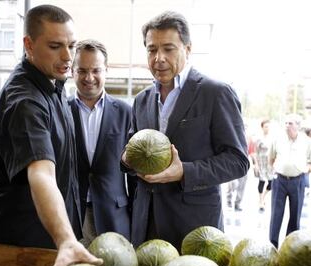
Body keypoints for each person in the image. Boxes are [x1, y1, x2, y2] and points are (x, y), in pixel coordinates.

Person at [0, 5, 101, 266]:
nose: (68, 56)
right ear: (28, 45)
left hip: (44, 245)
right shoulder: (26, 102)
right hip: (14, 249)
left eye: (71, 45)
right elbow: (41, 174)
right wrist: (66, 239)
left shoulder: (53, 85)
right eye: (55, 46)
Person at [121, 11, 249, 250]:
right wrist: (126, 160)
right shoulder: (141, 100)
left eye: (168, 49)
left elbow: (238, 161)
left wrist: (184, 172)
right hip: (145, 225)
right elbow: (131, 149)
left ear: (188, 49)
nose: (158, 58)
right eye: (151, 49)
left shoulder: (216, 93)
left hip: (193, 228)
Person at [68, 39, 135, 246]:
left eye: (96, 70)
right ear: (72, 71)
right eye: (82, 71)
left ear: (106, 70)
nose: (89, 78)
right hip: (72, 215)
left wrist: (135, 213)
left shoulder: (125, 112)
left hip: (114, 214)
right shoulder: (61, 110)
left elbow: (134, 171)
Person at [268, 113, 311, 248]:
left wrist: (305, 170)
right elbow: (271, 158)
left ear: (297, 126)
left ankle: (290, 247)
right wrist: (276, 169)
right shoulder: (277, 139)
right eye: (286, 123)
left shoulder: (306, 142)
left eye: (290, 123)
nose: (287, 126)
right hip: (279, 180)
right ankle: (272, 245)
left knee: (295, 215)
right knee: (276, 214)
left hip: (298, 181)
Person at [252, 119, 274, 212]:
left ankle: (264, 197)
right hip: (261, 162)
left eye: (268, 126)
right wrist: (256, 164)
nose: (267, 128)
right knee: (261, 182)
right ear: (262, 127)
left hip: (270, 163)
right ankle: (261, 201)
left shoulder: (273, 138)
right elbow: (255, 152)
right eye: (265, 126)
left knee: (271, 183)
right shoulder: (258, 138)